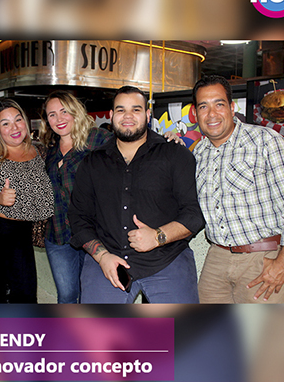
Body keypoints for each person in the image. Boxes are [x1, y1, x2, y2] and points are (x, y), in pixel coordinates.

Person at [68, 86, 205, 304]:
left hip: (166, 259)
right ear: (111, 116)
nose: (128, 116)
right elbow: (79, 217)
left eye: (136, 109)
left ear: (148, 115)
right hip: (107, 261)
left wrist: (158, 236)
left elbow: (194, 213)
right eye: (121, 110)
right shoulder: (92, 163)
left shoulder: (175, 154)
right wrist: (102, 257)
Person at [191, 75, 284, 303]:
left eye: (219, 104)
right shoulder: (199, 153)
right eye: (203, 106)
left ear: (232, 108)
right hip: (216, 258)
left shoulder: (264, 140)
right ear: (196, 113)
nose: (211, 114)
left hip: (261, 257)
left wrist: (283, 262)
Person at [0, 99, 54, 303]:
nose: (14, 127)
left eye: (18, 120)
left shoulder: (38, 151)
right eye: (5, 123)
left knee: (26, 297)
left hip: (21, 233)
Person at [39, 91, 113, 303]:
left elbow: (132, 147)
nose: (59, 119)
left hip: (93, 233)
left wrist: (166, 140)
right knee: (67, 296)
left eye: (64, 111)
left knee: (92, 296)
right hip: (58, 234)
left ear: (75, 112)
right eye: (52, 114)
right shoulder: (50, 149)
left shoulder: (98, 139)